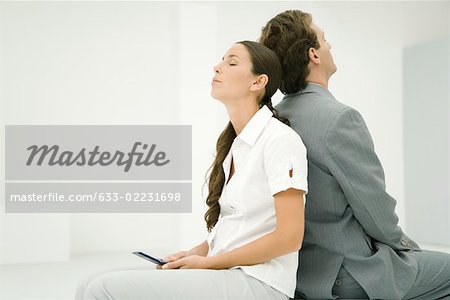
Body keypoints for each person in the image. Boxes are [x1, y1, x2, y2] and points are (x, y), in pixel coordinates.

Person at [76, 40, 308, 300]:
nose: (217, 68)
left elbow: (290, 237)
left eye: (231, 63)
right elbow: (237, 230)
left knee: (101, 290)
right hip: (229, 272)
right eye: (221, 61)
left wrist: (209, 263)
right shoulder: (236, 145)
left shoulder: (280, 140)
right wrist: (197, 253)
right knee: (88, 284)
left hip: (260, 282)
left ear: (258, 82)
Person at [260, 9, 450, 300]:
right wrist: (408, 246)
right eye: (324, 39)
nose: (330, 45)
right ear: (314, 55)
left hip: (300, 277)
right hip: (349, 273)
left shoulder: (272, 120)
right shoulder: (339, 118)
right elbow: (376, 211)